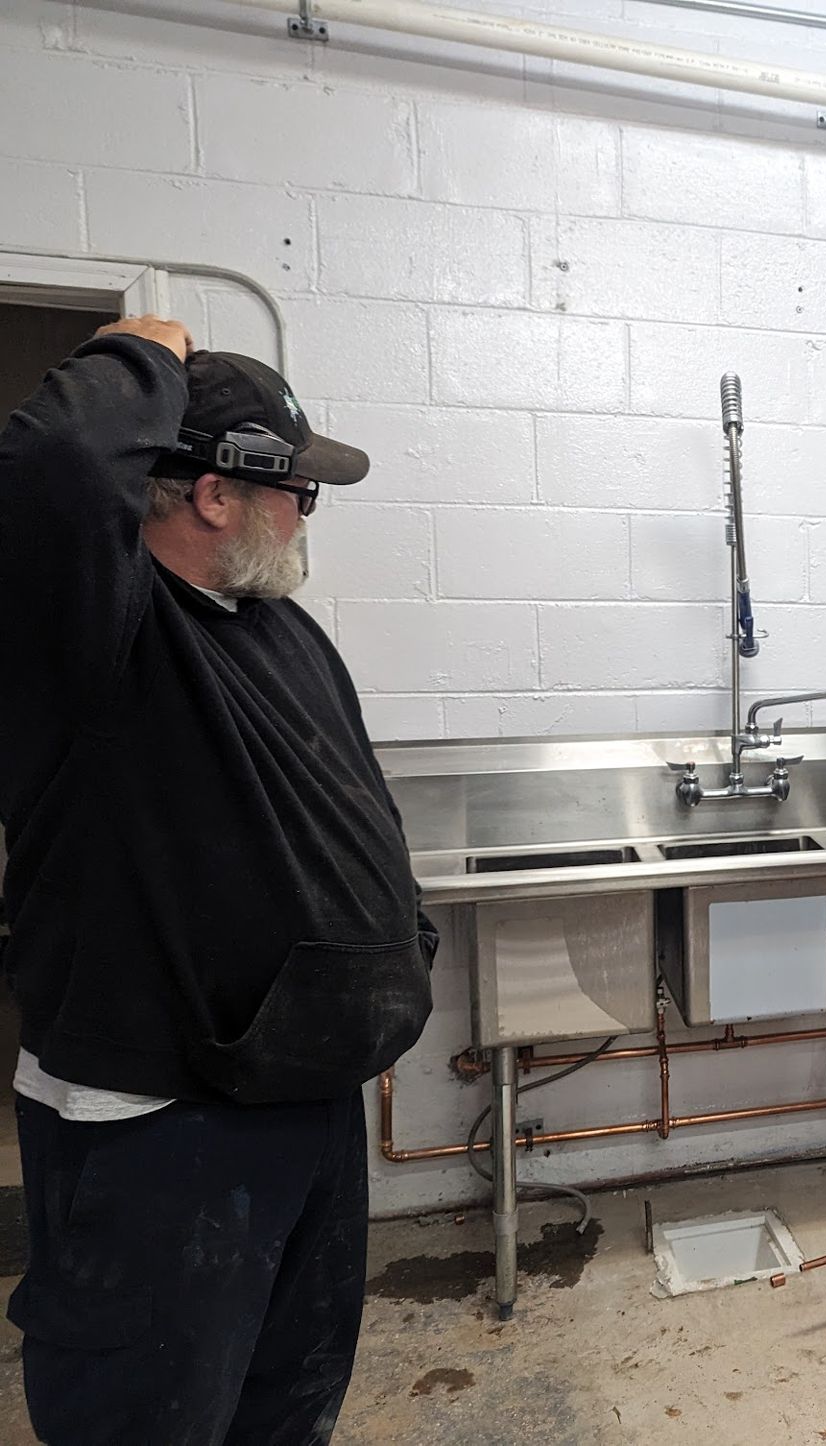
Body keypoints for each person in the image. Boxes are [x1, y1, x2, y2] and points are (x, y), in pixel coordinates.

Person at [0, 315, 437, 1444]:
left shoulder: (275, 627)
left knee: (288, 1401)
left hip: (301, 1098)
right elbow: (49, 467)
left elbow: (358, 811)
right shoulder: (98, 634)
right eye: (298, 488)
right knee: (155, 1418)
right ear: (212, 494)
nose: (305, 515)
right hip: (159, 1122)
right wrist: (141, 354)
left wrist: (403, 943)